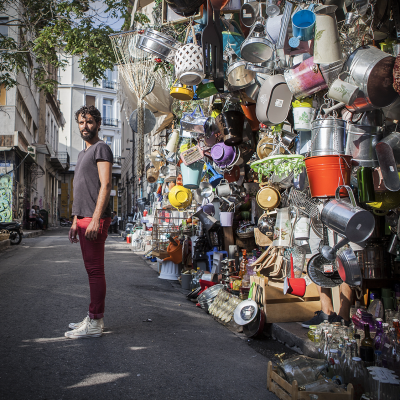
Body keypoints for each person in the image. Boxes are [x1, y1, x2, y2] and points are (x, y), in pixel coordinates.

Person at [66, 105, 113, 339]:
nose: (85, 127)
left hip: (95, 219)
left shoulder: (101, 148)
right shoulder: (82, 153)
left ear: (98, 124)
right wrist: (76, 219)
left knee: (95, 272)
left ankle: (95, 322)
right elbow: (82, 187)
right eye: (82, 123)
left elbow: (105, 185)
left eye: (90, 122)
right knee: (91, 270)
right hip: (83, 218)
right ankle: (94, 317)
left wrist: (95, 219)